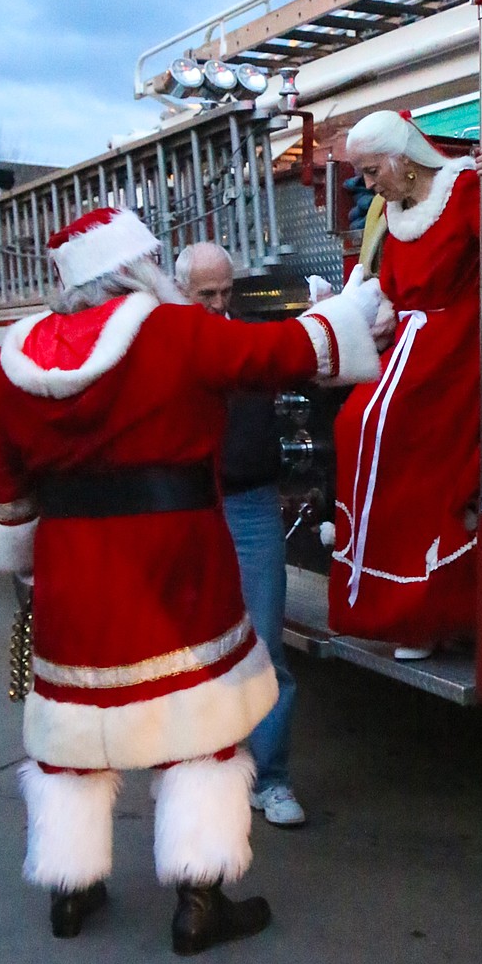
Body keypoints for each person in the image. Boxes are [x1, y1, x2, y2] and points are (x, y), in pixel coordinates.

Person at [0, 206, 383, 952]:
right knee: (202, 729)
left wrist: (25, 556)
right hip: (177, 562)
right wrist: (347, 312)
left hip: (71, 570)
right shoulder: (172, 329)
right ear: (134, 266)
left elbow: (3, 490)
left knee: (72, 730)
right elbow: (273, 354)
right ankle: (198, 901)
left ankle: (71, 888)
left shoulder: (19, 356)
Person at [327, 111, 482, 660]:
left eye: (372, 172)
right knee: (354, 424)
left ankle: (422, 608)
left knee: (391, 434)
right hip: (411, 346)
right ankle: (380, 583)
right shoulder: (395, 210)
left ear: (402, 160)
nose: (369, 186)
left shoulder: (463, 189)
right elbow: (389, 283)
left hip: (456, 347)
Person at [175, 241, 306, 829]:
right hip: (188, 505)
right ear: (182, 292)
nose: (218, 303)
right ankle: (201, 774)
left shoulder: (248, 338)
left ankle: (271, 780)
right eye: (206, 294)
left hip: (251, 506)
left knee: (266, 649)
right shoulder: (165, 346)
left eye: (226, 292)